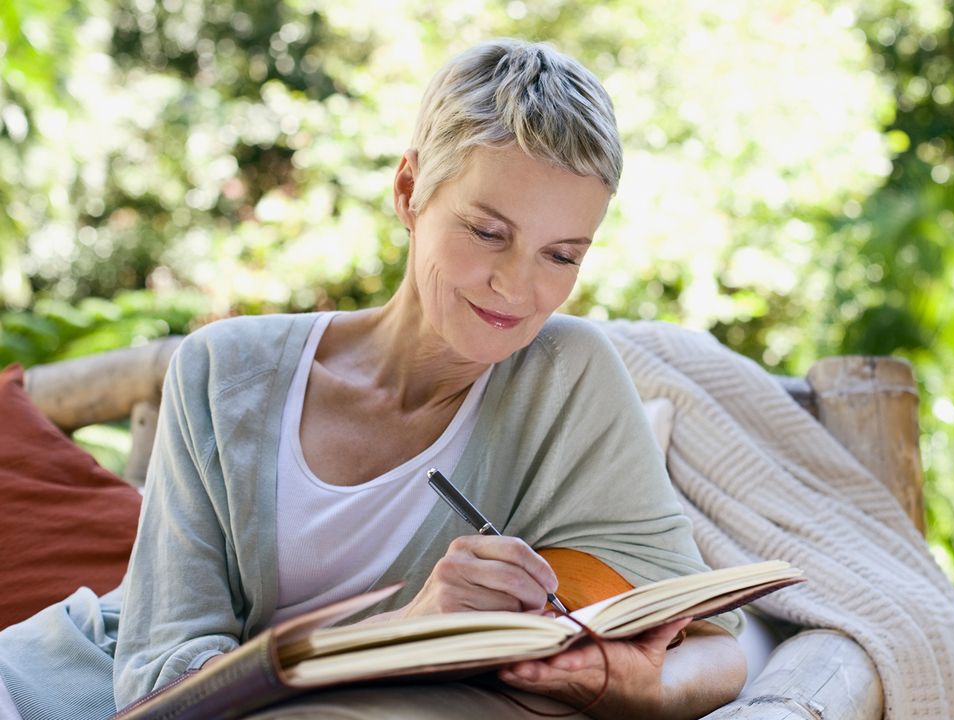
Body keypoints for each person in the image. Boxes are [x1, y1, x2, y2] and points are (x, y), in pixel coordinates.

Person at [0, 38, 747, 719]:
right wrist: (406, 630)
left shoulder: (567, 379)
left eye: (562, 256)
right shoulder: (222, 371)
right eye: (488, 232)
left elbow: (716, 646)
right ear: (409, 191)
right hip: (57, 687)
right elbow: (159, 677)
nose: (517, 289)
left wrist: (636, 687)